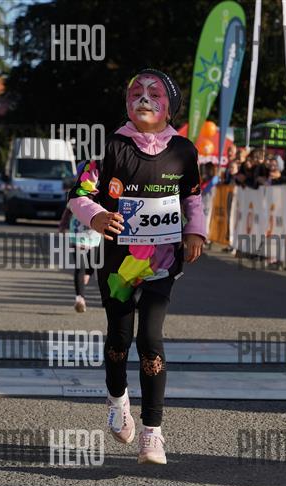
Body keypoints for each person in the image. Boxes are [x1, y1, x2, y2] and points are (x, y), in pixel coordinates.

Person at [67, 68, 206, 464]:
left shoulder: (184, 150)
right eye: (136, 93)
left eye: (154, 94)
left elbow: (193, 197)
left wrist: (195, 231)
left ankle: (153, 432)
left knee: (150, 337)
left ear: (170, 106)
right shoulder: (110, 146)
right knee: (119, 338)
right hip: (117, 264)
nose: (144, 99)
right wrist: (95, 215)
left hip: (162, 262)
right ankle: (117, 401)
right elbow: (79, 193)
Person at [58, 202, 102, 312]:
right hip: (77, 234)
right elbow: (68, 210)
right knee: (80, 267)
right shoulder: (77, 195)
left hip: (94, 236)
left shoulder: (101, 195)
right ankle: (80, 299)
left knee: (92, 264)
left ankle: (87, 274)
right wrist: (62, 225)